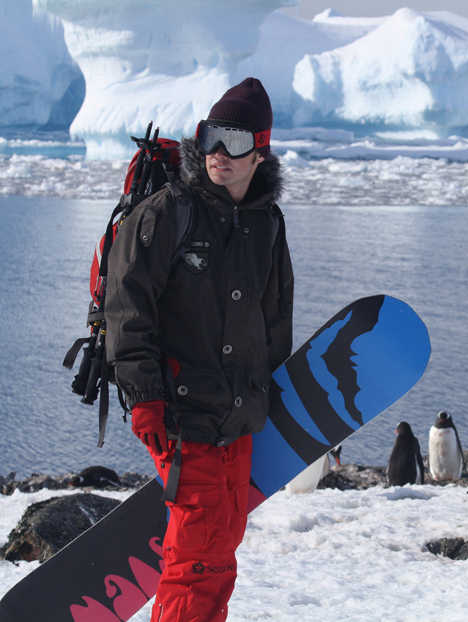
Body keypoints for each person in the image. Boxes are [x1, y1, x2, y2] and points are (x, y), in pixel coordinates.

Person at [105, 77, 293, 622]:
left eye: (234, 141)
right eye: (211, 137)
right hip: (182, 413)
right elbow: (127, 307)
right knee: (195, 557)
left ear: (259, 150)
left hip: (237, 417)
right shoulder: (169, 213)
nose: (218, 153)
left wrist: (272, 400)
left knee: (219, 553)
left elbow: (274, 319)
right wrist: (144, 396)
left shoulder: (267, 223)